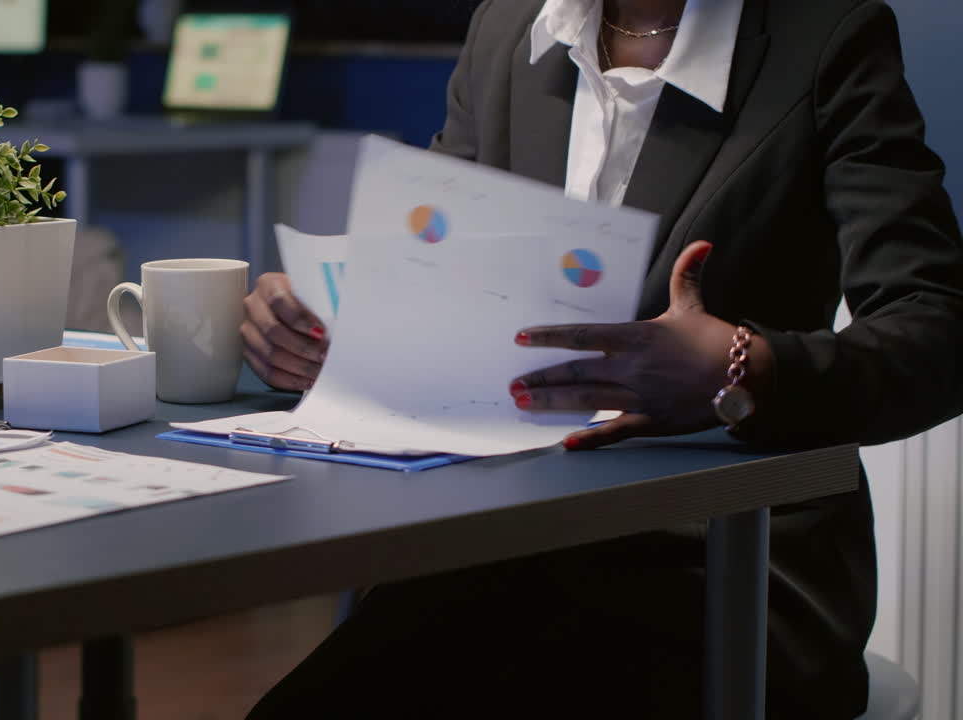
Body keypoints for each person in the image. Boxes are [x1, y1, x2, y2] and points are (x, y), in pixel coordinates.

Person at [240, 0, 963, 717]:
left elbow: (938, 331)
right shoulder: (510, 26)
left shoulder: (828, 34)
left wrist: (743, 369)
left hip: (727, 562)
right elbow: (430, 275)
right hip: (496, 548)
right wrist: (325, 323)